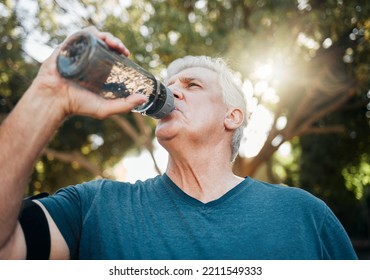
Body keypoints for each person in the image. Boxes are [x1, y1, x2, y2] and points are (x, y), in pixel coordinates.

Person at [0, 26, 357, 260]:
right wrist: (47, 97)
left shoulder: (303, 215)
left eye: (193, 85)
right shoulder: (95, 207)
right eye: (169, 84)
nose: (171, 90)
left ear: (232, 117)